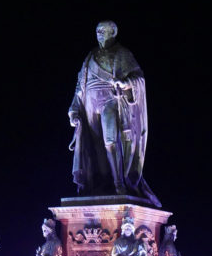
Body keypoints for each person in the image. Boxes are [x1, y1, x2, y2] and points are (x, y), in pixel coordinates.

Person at [68, 20, 160, 206]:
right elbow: (80, 85)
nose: (99, 34)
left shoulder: (122, 54)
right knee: (95, 144)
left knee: (111, 140)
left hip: (111, 100)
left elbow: (138, 77)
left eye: (103, 31)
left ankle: (119, 183)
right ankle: (101, 182)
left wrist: (126, 84)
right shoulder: (90, 57)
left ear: (113, 32)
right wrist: (74, 109)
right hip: (89, 103)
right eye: (97, 31)